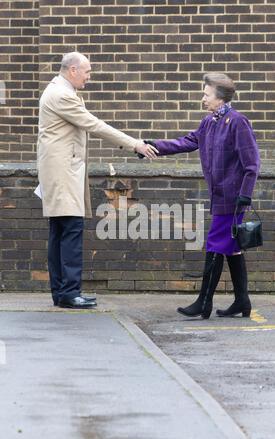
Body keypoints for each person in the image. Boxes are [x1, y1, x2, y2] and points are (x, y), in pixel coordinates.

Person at [37, 52, 158, 309]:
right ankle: (69, 293)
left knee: (60, 231)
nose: (89, 77)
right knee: (70, 230)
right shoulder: (62, 95)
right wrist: (134, 143)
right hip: (63, 174)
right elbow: (95, 125)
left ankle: (61, 292)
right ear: (72, 70)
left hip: (60, 172)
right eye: (87, 72)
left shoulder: (57, 90)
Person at [143, 73, 260, 320]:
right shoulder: (209, 123)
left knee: (217, 245)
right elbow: (186, 142)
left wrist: (245, 196)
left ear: (219, 97)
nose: (203, 98)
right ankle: (242, 301)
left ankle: (203, 302)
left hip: (233, 199)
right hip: (219, 197)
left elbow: (252, 164)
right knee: (231, 248)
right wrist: (153, 146)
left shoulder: (237, 122)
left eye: (206, 94)